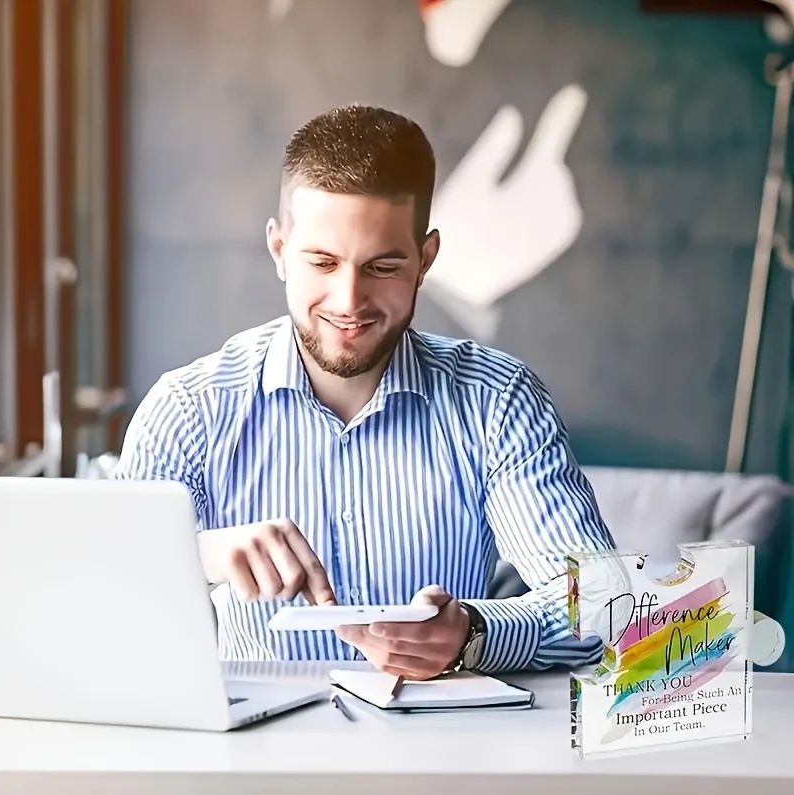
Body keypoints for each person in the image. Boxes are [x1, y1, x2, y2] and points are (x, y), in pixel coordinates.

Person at [115, 104, 615, 678]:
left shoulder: (498, 400)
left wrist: (473, 635)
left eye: (382, 267)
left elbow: (603, 608)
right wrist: (199, 555)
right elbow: (104, 599)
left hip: (445, 755)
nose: (348, 301)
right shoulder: (188, 409)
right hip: (253, 762)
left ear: (425, 260)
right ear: (279, 251)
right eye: (323, 262)